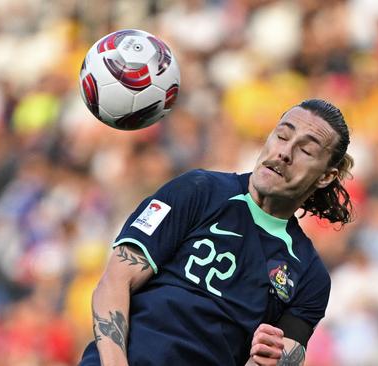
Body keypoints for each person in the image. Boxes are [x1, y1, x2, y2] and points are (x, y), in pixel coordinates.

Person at [79, 99, 354, 365]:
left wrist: (267, 360)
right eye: (282, 136)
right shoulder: (198, 189)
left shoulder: (309, 276)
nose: (284, 152)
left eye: (305, 151)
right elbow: (114, 282)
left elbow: (283, 358)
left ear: (326, 176)